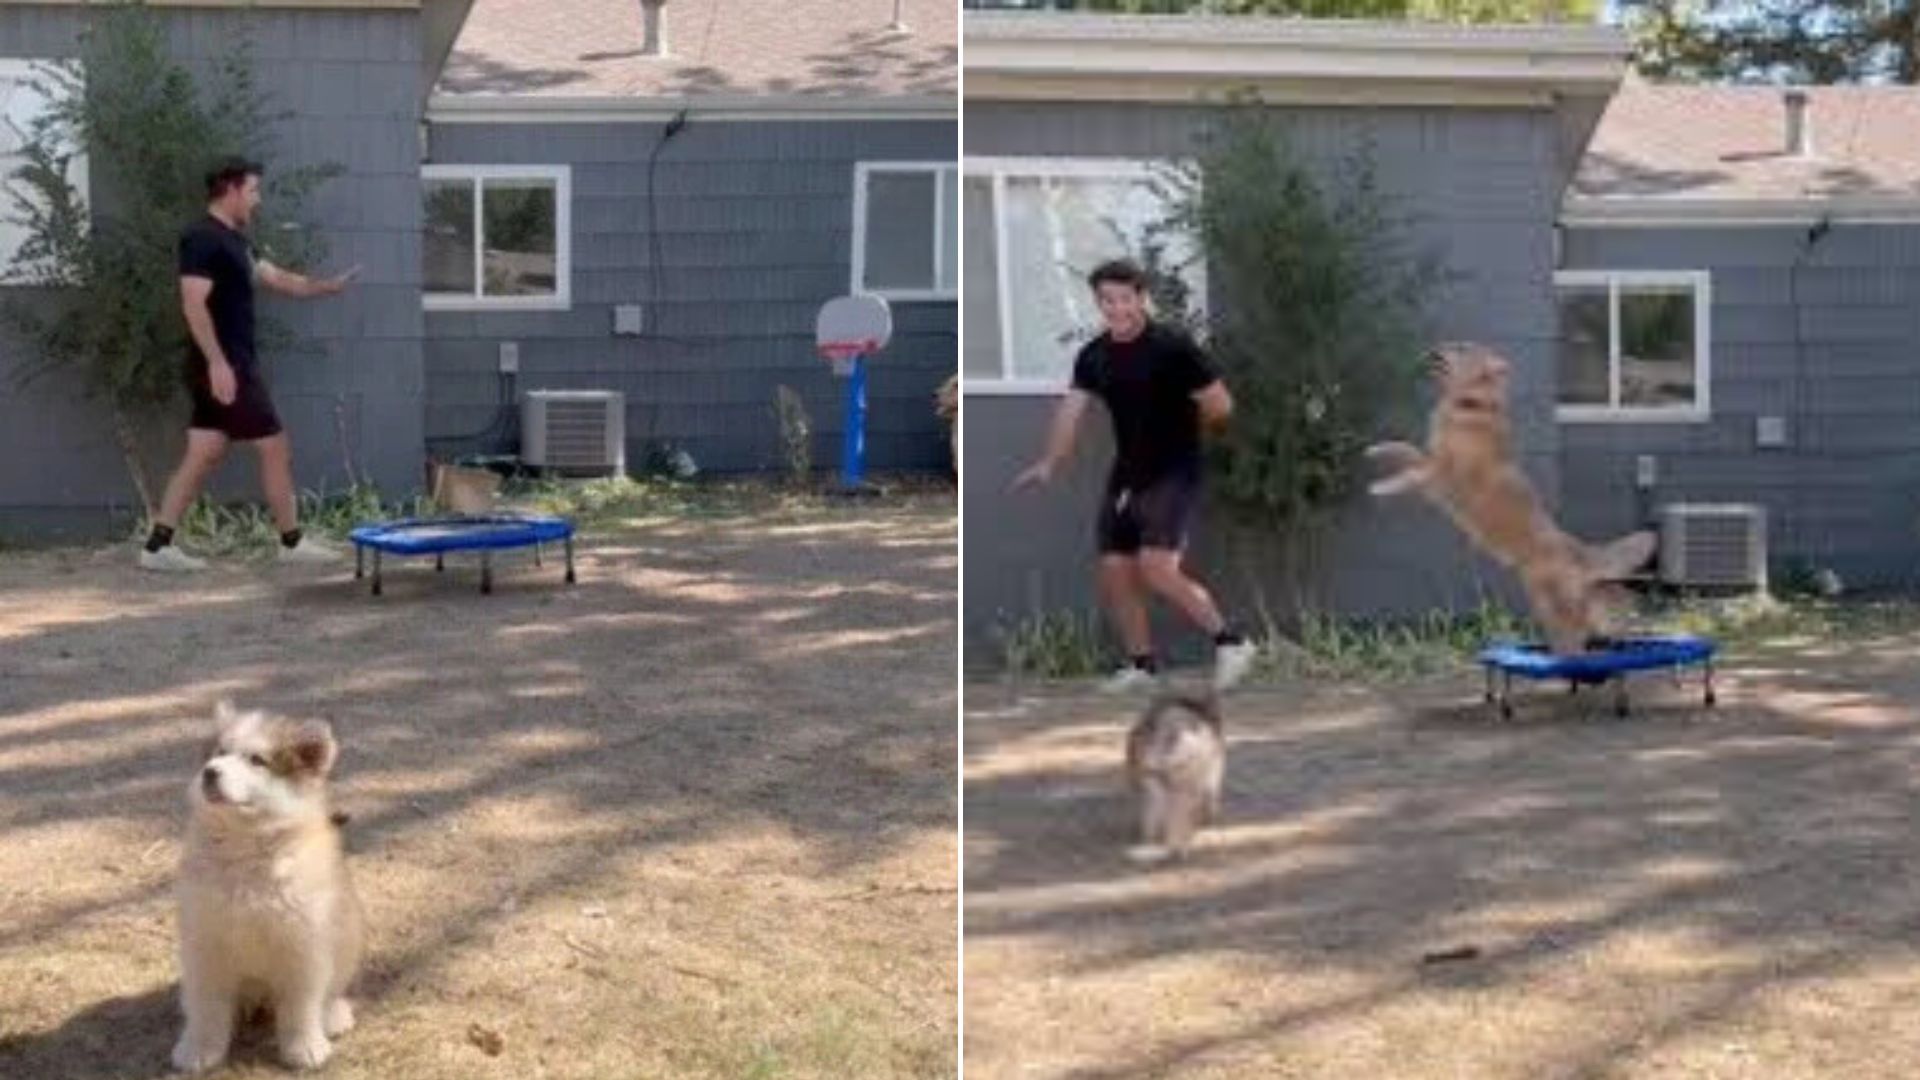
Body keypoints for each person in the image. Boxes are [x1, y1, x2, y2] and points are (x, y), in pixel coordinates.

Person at [1014, 258, 1255, 693]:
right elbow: (1072, 411)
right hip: (1128, 473)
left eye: (1125, 298)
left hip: (1175, 471)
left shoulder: (1173, 348)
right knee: (1115, 569)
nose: (1116, 308)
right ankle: (1143, 667)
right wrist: (1050, 462)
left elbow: (1221, 405)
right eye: (1107, 299)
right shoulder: (1095, 356)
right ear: (1099, 302)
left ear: (1141, 299)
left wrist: (1184, 433)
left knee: (1157, 568)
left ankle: (1232, 643)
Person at [139, 157, 361, 572]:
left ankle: (157, 547)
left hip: (226, 364)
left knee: (204, 450)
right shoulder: (201, 238)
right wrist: (218, 363)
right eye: (253, 191)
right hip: (226, 367)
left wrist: (326, 287)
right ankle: (291, 542)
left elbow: (276, 278)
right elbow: (193, 303)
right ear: (231, 189)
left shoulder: (236, 241)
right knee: (274, 445)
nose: (257, 200)